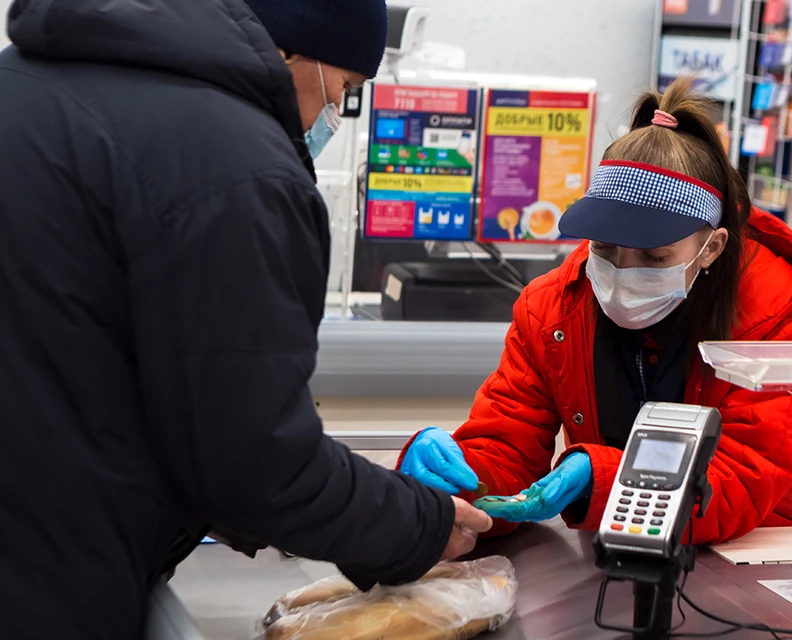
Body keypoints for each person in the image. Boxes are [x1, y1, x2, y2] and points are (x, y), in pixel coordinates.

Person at [0, 0, 491, 637]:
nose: (331, 117)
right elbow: (254, 460)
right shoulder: (235, 165)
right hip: (49, 578)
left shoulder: (28, 83)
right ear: (293, 50)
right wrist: (416, 523)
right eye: (343, 89)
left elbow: (106, 375)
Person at [399, 79, 792, 543]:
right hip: (630, 539)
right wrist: (453, 486)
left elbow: (744, 476)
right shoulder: (550, 311)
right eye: (605, 249)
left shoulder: (771, 311)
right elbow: (507, 448)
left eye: (654, 258)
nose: (621, 274)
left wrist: (603, 478)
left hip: (782, 539)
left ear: (711, 249)